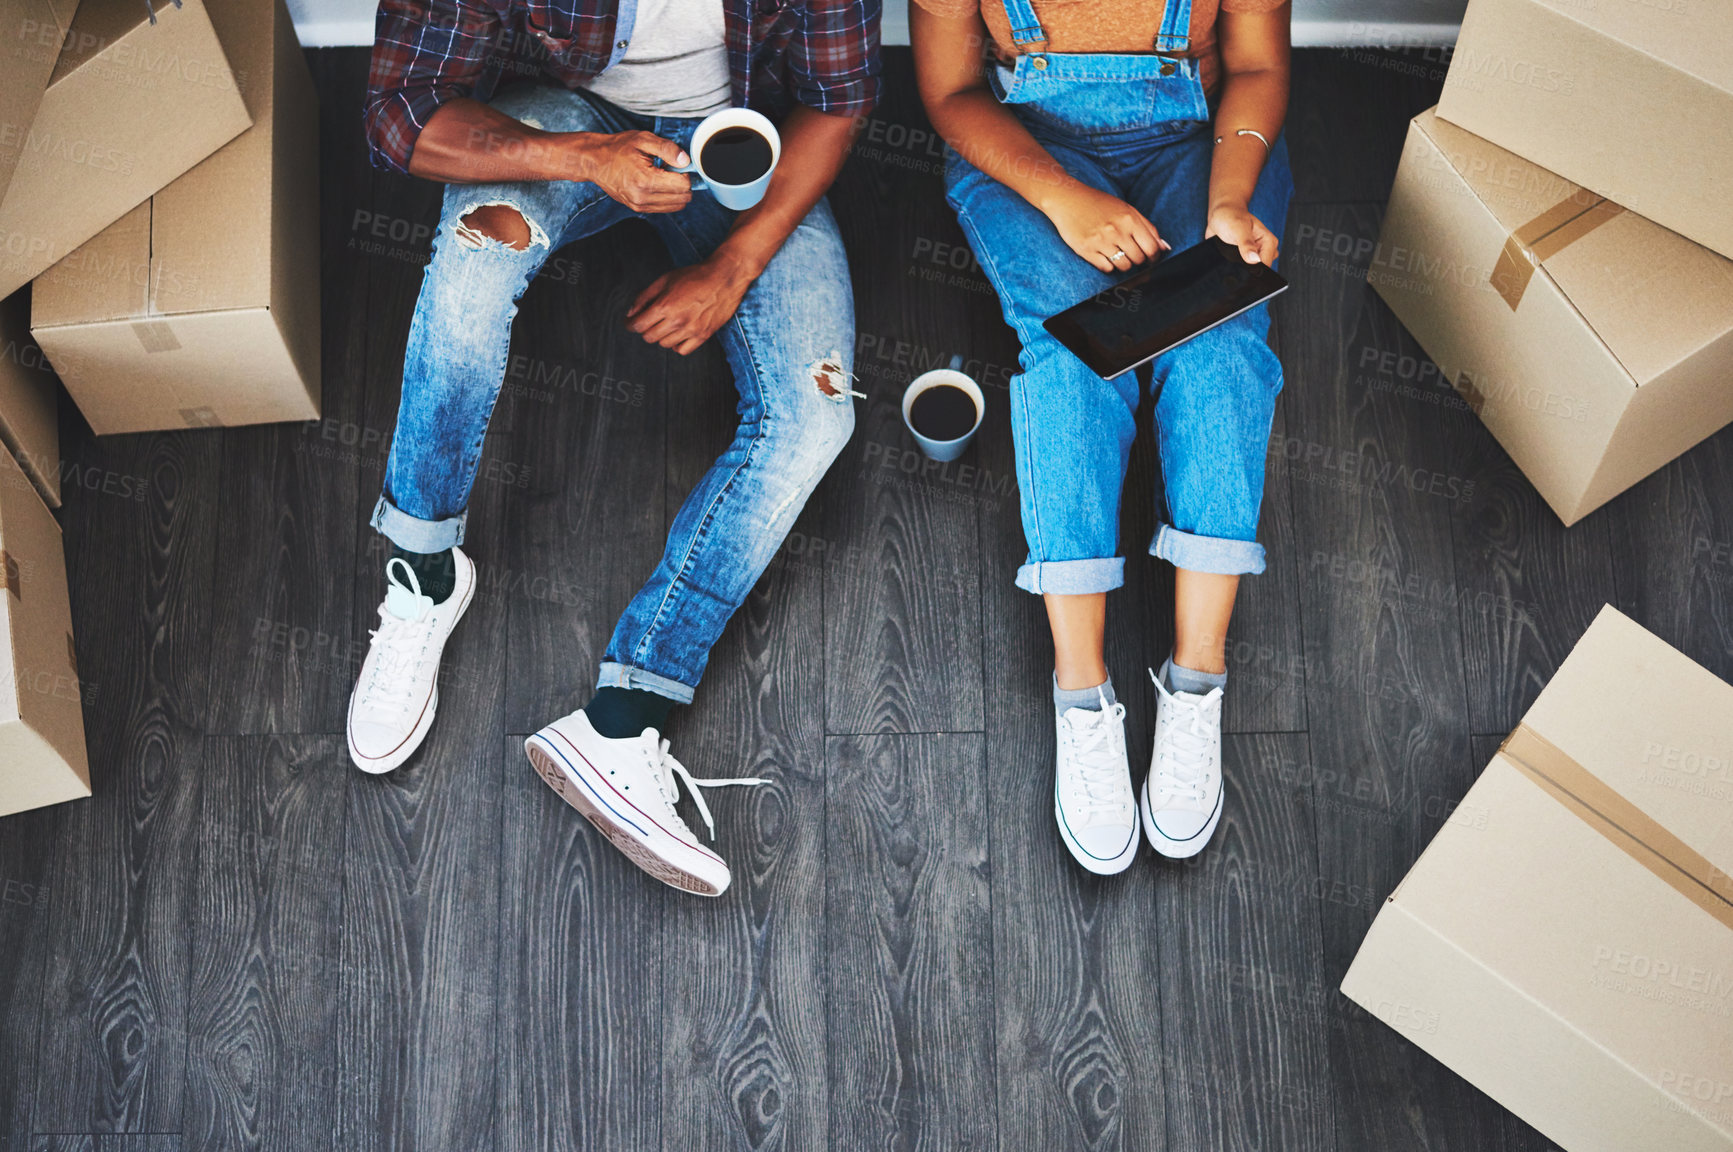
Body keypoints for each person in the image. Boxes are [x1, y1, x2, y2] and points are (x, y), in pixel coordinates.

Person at [350, 0, 881, 897]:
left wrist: (731, 268)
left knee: (815, 413)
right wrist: (584, 159)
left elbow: (837, 100)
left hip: (742, 138)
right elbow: (398, 113)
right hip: (565, 117)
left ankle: (620, 718)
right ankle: (424, 574)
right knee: (472, 274)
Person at [911, 0, 1293, 871]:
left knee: (1220, 345)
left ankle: (1197, 679)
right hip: (1027, 156)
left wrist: (1229, 203)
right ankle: (1080, 692)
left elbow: (1260, 70)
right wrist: (1065, 198)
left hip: (1202, 146)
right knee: (1073, 355)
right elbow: (950, 92)